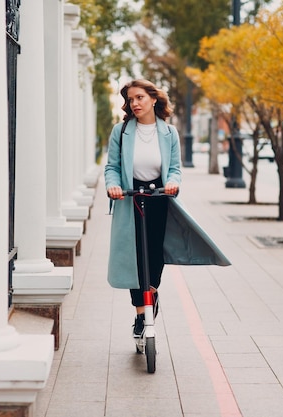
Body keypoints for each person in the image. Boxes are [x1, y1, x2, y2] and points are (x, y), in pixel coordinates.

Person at [105, 79, 181, 338]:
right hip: (130, 197)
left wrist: (172, 182)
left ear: (153, 99)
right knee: (133, 257)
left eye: (139, 97)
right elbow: (112, 167)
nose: (134, 103)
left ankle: (153, 292)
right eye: (130, 99)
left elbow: (175, 169)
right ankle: (140, 315)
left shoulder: (169, 133)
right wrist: (113, 186)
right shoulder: (121, 131)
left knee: (155, 253)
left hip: (160, 196)